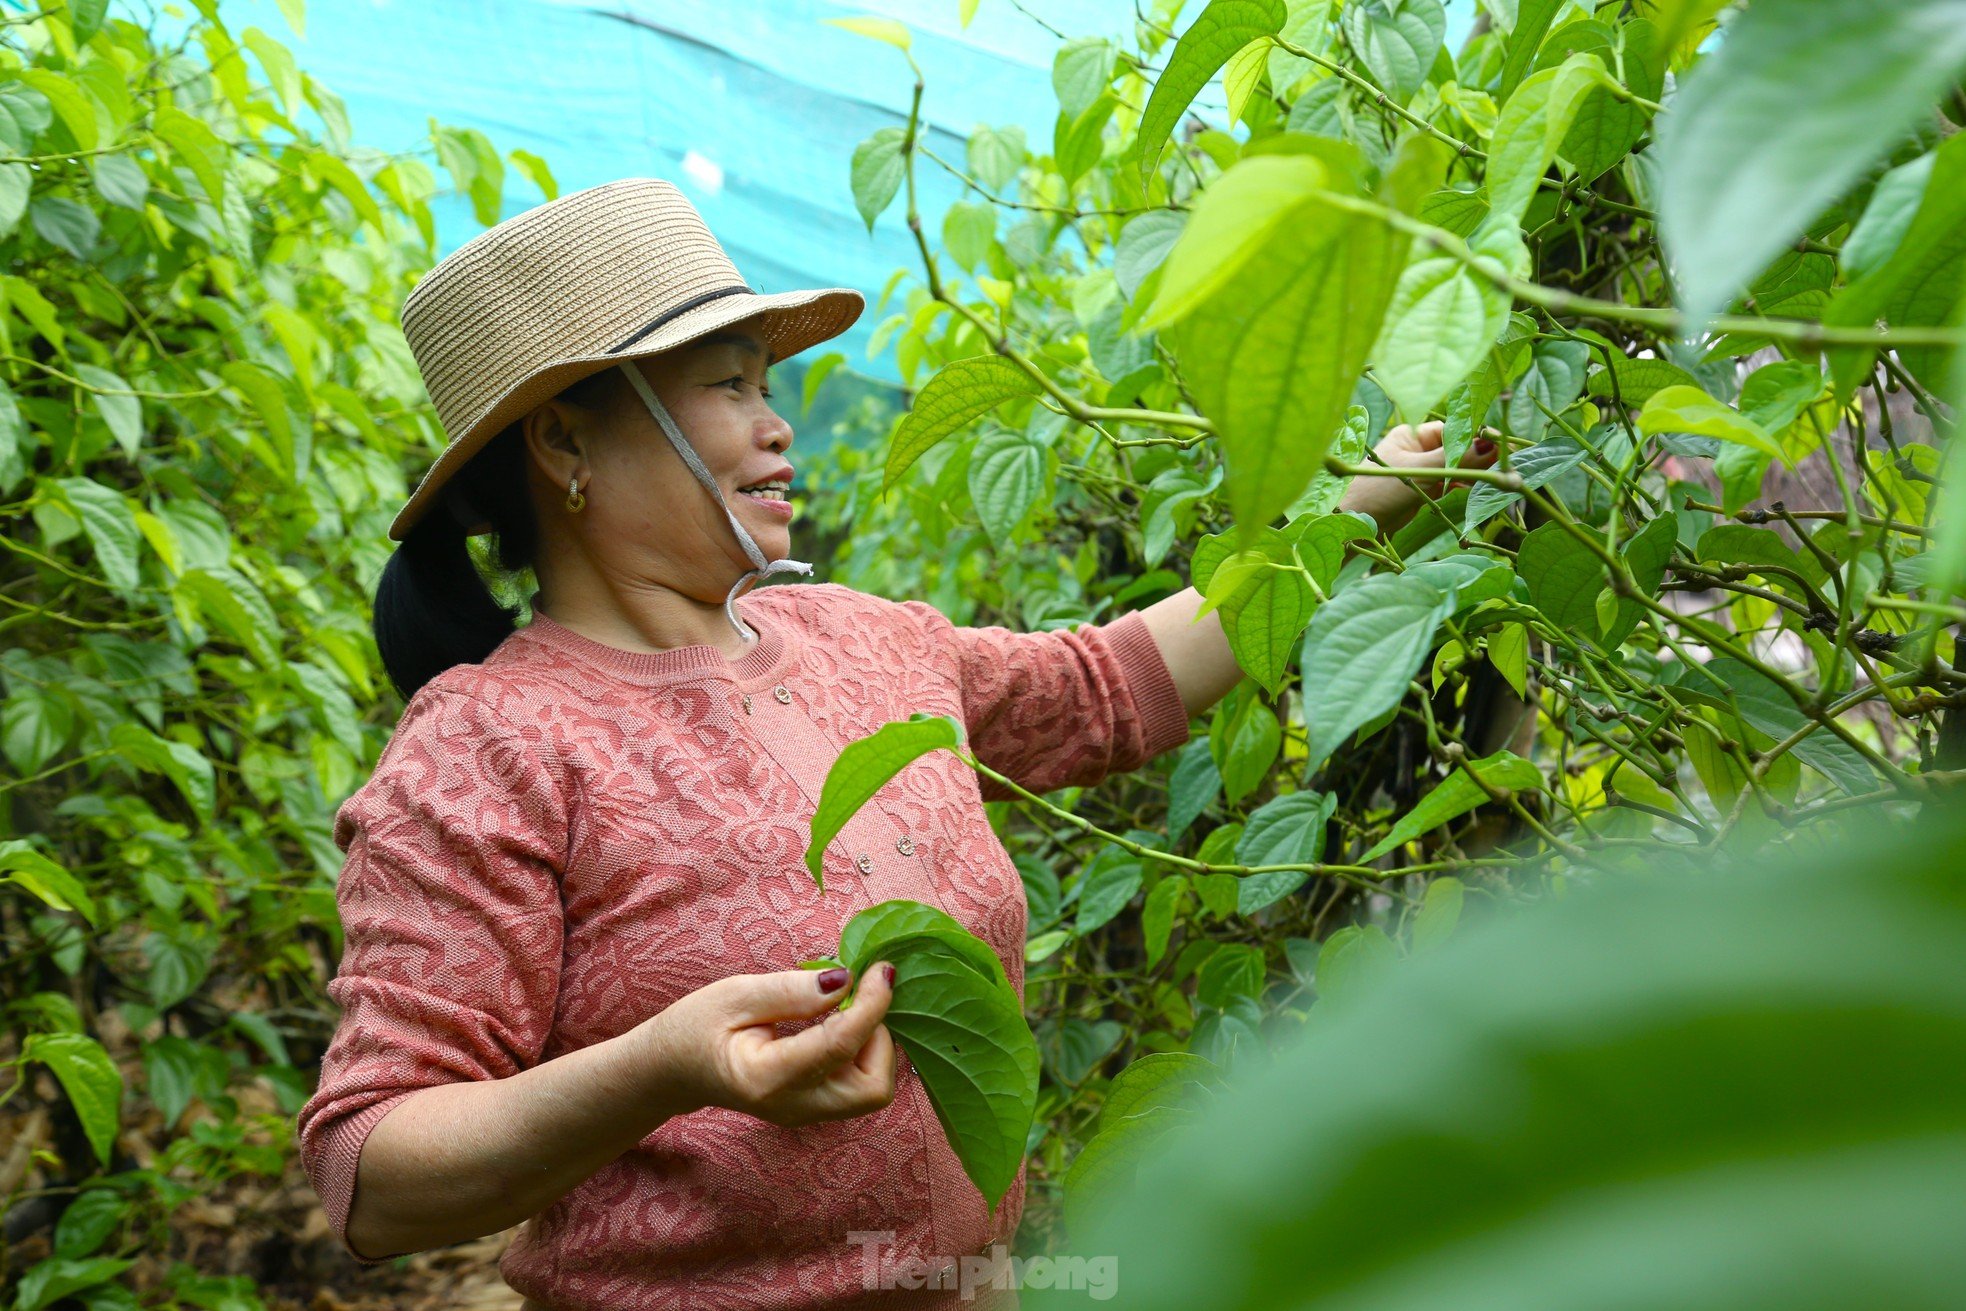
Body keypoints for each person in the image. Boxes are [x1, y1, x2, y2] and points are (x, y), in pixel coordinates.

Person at [294, 177, 1492, 1309]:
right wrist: (666, 1064)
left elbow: (1111, 681)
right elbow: (376, 1174)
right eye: (730, 388)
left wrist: (1351, 513)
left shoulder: (858, 641)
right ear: (563, 444)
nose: (778, 428)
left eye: (767, 386)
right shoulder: (490, 746)